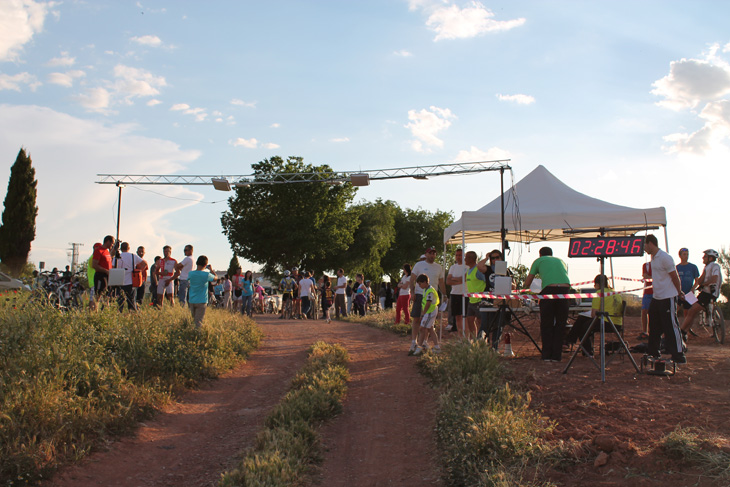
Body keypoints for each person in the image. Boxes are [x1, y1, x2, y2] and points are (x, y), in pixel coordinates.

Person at [643, 234, 686, 364]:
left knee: (671, 326)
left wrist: (679, 292)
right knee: (654, 326)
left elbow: (674, 276)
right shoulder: (653, 259)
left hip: (668, 297)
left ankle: (679, 355)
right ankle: (653, 352)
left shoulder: (665, 257)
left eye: (644, 245)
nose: (644, 249)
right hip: (657, 297)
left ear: (650, 244)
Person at [524, 247, 571, 362]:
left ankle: (546, 355)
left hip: (549, 290)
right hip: (565, 290)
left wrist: (522, 290)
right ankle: (556, 356)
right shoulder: (561, 261)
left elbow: (528, 281)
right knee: (561, 324)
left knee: (547, 323)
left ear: (540, 255)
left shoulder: (538, 261)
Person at [565, 274, 624, 356]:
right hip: (617, 323)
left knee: (584, 327)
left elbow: (594, 315)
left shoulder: (599, 293)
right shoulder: (615, 293)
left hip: (607, 322)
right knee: (582, 319)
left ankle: (585, 350)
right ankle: (570, 340)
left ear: (597, 284)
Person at [409, 247, 446, 355]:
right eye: (430, 253)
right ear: (426, 254)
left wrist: (445, 295)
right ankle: (413, 342)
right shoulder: (419, 265)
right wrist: (412, 292)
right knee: (417, 319)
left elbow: (441, 282)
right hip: (420, 295)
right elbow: (412, 279)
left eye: (434, 253)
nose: (432, 255)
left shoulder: (439, 267)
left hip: (431, 298)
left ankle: (424, 341)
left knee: (429, 322)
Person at [681, 249, 723, 336]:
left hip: (709, 293)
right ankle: (685, 331)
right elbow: (699, 281)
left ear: (710, 258)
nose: (703, 258)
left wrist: (704, 284)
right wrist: (702, 279)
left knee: (692, 310)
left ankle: (682, 331)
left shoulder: (714, 266)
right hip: (705, 293)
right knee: (691, 310)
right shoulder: (707, 267)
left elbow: (714, 279)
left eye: (705, 256)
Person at [413, 274, 442, 355]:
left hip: (430, 312)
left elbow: (428, 303)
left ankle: (419, 347)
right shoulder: (426, 290)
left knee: (422, 328)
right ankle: (436, 347)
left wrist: (423, 314)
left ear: (425, 282)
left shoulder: (430, 291)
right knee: (430, 329)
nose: (419, 286)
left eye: (420, 284)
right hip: (429, 311)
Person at [464, 250, 488, 341]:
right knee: (470, 320)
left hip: (479, 300)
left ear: (471, 259)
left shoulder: (478, 270)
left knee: (480, 322)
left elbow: (486, 281)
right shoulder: (469, 270)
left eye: (466, 257)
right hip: (471, 300)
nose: (464, 259)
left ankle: (483, 340)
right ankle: (474, 340)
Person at [187, 255, 217, 328]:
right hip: (202, 300)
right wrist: (211, 270)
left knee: (193, 320)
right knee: (199, 322)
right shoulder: (206, 275)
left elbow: (188, 282)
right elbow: (215, 278)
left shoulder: (191, 273)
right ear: (205, 265)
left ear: (197, 263)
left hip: (192, 300)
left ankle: (191, 334)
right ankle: (197, 336)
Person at [446, 247, 466, 334]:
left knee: (467, 317)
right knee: (458, 316)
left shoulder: (468, 266)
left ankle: (468, 336)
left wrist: (454, 279)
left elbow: (465, 279)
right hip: (455, 294)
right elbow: (448, 281)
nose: (458, 257)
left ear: (464, 256)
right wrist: (459, 280)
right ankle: (461, 336)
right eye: (457, 255)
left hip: (465, 294)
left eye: (460, 255)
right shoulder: (453, 267)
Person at [676, 248, 700, 318]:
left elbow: (697, 281)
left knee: (690, 312)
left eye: (687, 254)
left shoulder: (693, 267)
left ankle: (687, 328)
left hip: (689, 293)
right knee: (674, 310)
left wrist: (692, 289)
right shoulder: (676, 268)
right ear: (680, 256)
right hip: (678, 293)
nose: (686, 256)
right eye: (684, 254)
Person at [115, 242, 138, 312]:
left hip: (119, 282)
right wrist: (137, 271)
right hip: (130, 282)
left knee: (120, 303)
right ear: (129, 248)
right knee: (131, 302)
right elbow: (144, 263)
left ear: (121, 248)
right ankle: (132, 315)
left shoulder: (117, 257)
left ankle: (119, 315)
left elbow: (113, 267)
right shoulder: (133, 256)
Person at [92, 235, 114, 303]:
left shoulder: (107, 251)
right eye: (112, 243)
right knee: (98, 295)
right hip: (100, 276)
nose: (112, 245)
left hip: (107, 276)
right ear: (108, 241)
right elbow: (94, 265)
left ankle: (105, 310)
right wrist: (106, 271)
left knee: (107, 295)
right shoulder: (98, 251)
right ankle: (94, 310)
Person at [638, 261, 652, 340]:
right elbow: (646, 277)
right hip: (647, 292)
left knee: (653, 312)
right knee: (644, 311)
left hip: (657, 292)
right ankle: (644, 331)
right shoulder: (646, 265)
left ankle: (652, 331)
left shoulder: (660, 264)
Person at [87, 243, 102, 310]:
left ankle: (93, 313)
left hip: (94, 281)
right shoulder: (93, 257)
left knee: (93, 298)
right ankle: (92, 314)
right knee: (94, 299)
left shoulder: (93, 257)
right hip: (94, 281)